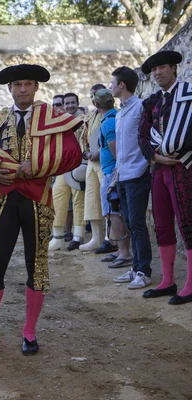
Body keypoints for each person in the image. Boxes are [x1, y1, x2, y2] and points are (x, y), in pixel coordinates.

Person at [0, 64, 83, 357]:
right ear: (10, 88)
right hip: (6, 199)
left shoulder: (53, 118)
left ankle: (29, 332)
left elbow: (73, 153)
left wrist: (39, 167)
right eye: (17, 84)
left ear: (36, 88)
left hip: (38, 199)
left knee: (37, 265)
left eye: (28, 84)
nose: (22, 89)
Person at [138, 51, 192, 303]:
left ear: (174, 68)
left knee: (187, 223)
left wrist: (180, 151)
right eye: (154, 70)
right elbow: (142, 136)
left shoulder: (189, 95)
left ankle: (191, 284)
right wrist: (156, 157)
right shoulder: (152, 102)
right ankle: (168, 281)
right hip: (160, 169)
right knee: (161, 223)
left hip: (185, 166)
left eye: (162, 68)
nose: (157, 73)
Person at [107, 66, 153, 290]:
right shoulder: (121, 112)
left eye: (112, 82)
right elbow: (123, 150)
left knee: (137, 224)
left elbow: (147, 138)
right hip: (123, 176)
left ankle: (144, 272)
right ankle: (136, 268)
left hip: (138, 174)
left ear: (122, 85)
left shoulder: (140, 108)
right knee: (131, 223)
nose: (110, 86)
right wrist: (116, 177)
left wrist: (144, 165)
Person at [91, 89, 132, 269]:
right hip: (114, 171)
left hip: (111, 172)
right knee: (117, 211)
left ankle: (124, 252)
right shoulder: (116, 116)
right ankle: (121, 249)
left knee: (112, 212)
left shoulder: (107, 123)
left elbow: (116, 153)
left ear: (95, 104)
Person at [48, 92, 86, 251]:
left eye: (72, 103)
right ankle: (57, 237)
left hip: (79, 165)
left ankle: (78, 236)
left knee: (78, 200)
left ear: (77, 103)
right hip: (63, 166)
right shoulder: (59, 121)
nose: (70, 106)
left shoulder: (84, 121)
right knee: (58, 196)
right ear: (63, 105)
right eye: (67, 103)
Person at [79, 84, 107, 252]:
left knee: (108, 200)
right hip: (91, 162)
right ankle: (96, 238)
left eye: (96, 95)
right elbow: (83, 138)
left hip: (105, 162)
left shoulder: (112, 114)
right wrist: (87, 154)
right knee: (92, 200)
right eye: (91, 96)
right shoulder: (90, 116)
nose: (93, 98)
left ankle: (110, 238)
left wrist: (99, 154)